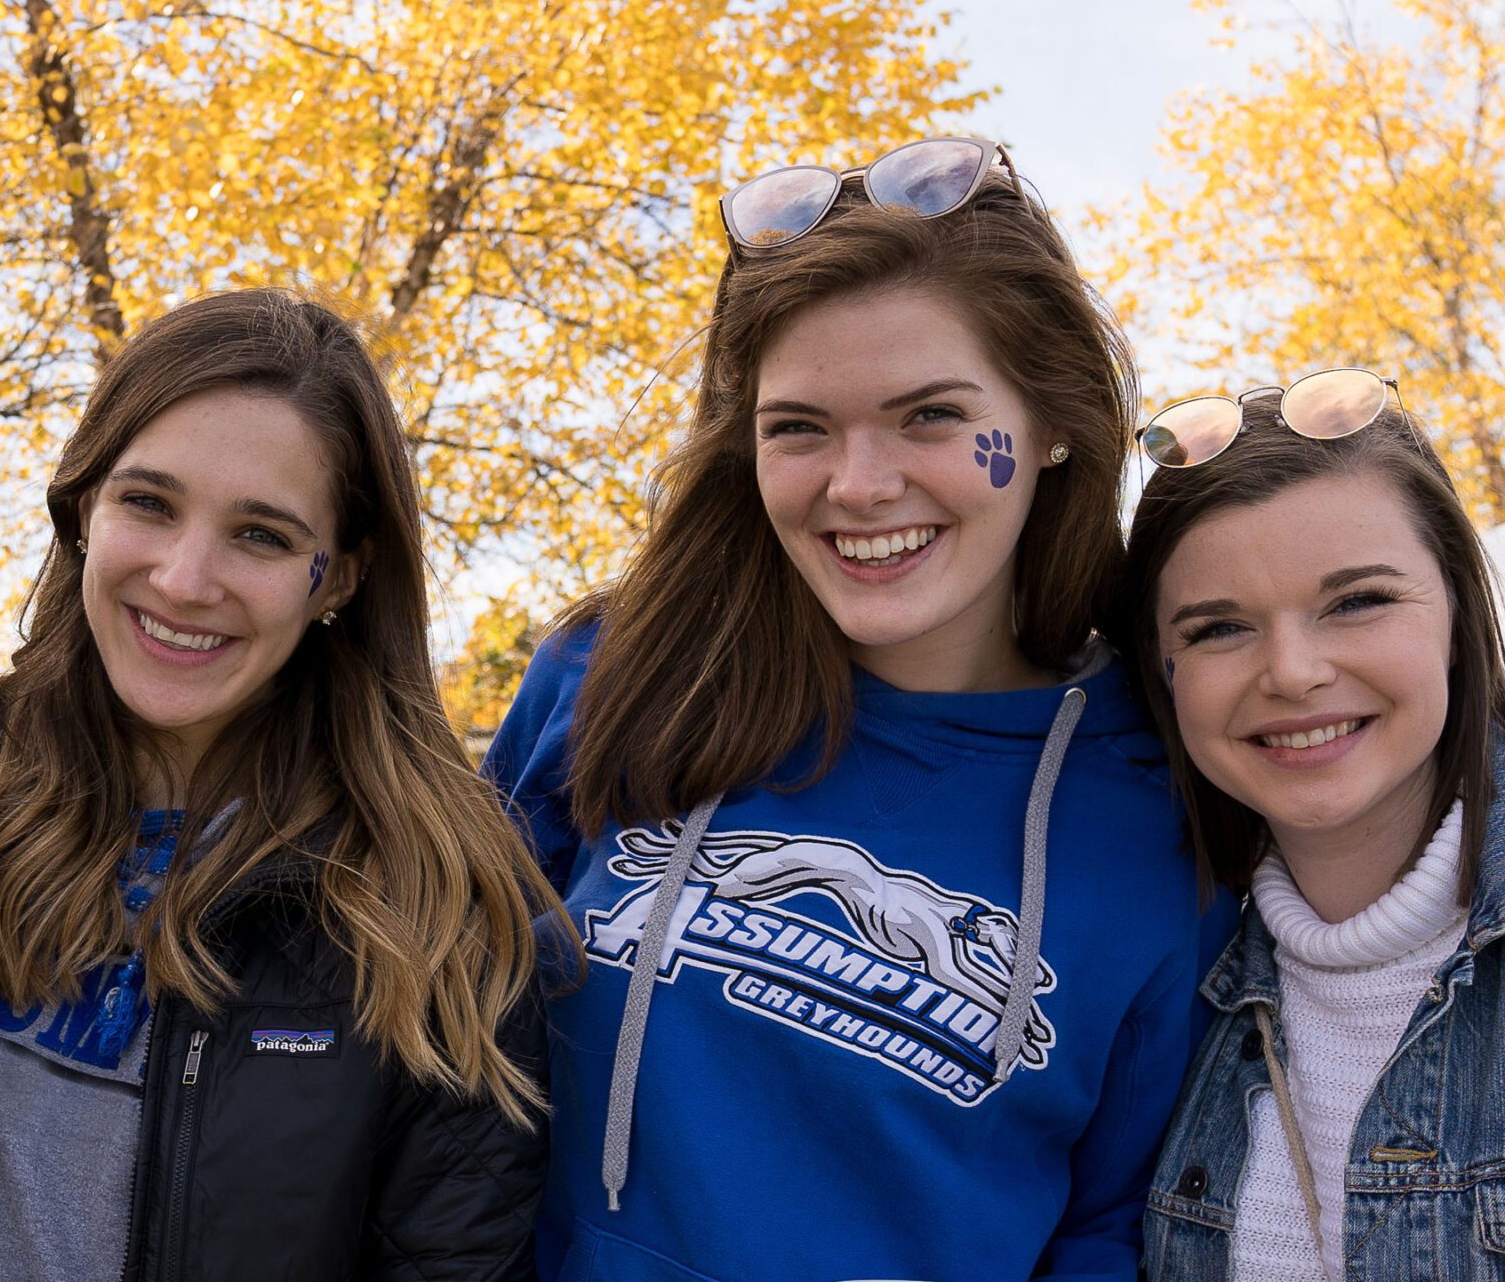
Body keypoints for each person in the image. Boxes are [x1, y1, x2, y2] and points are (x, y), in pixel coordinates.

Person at [483, 138, 1223, 1279]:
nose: (859, 484)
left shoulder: (1165, 797)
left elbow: (1107, 1226)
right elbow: (432, 1040)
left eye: (929, 416)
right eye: (798, 427)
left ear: (1052, 421)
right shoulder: (614, 674)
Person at [0, 287, 559, 1282]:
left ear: (338, 578)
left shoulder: (437, 916)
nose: (186, 579)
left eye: (261, 535)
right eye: (147, 502)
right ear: (82, 508)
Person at [1120, 377, 1505, 1278]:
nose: (1292, 673)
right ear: (1164, 672)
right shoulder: (1161, 989)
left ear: (1455, 610)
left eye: (1358, 601)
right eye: (1219, 628)